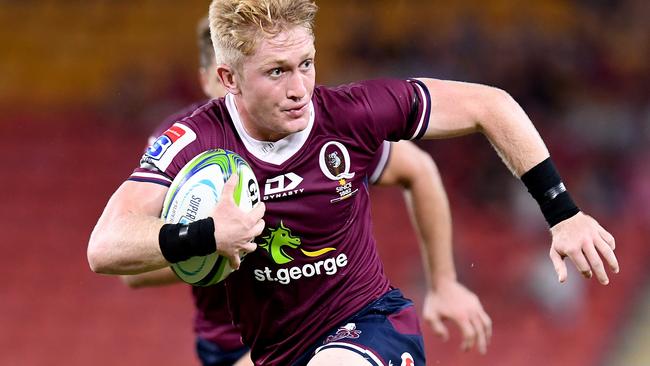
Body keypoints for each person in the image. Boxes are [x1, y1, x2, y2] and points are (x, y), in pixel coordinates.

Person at [87, 1, 619, 364]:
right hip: (276, 350)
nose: (300, 89)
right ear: (228, 79)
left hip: (372, 327)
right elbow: (105, 247)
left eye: (307, 64)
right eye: (277, 72)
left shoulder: (351, 115)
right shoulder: (194, 141)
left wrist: (563, 213)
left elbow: (490, 105)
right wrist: (207, 234)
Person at [122, 17, 491, 366]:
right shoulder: (183, 147)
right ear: (218, 78)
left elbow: (419, 169)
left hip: (320, 327)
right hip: (230, 342)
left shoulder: (313, 130)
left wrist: (443, 281)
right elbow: (132, 269)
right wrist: (216, 244)